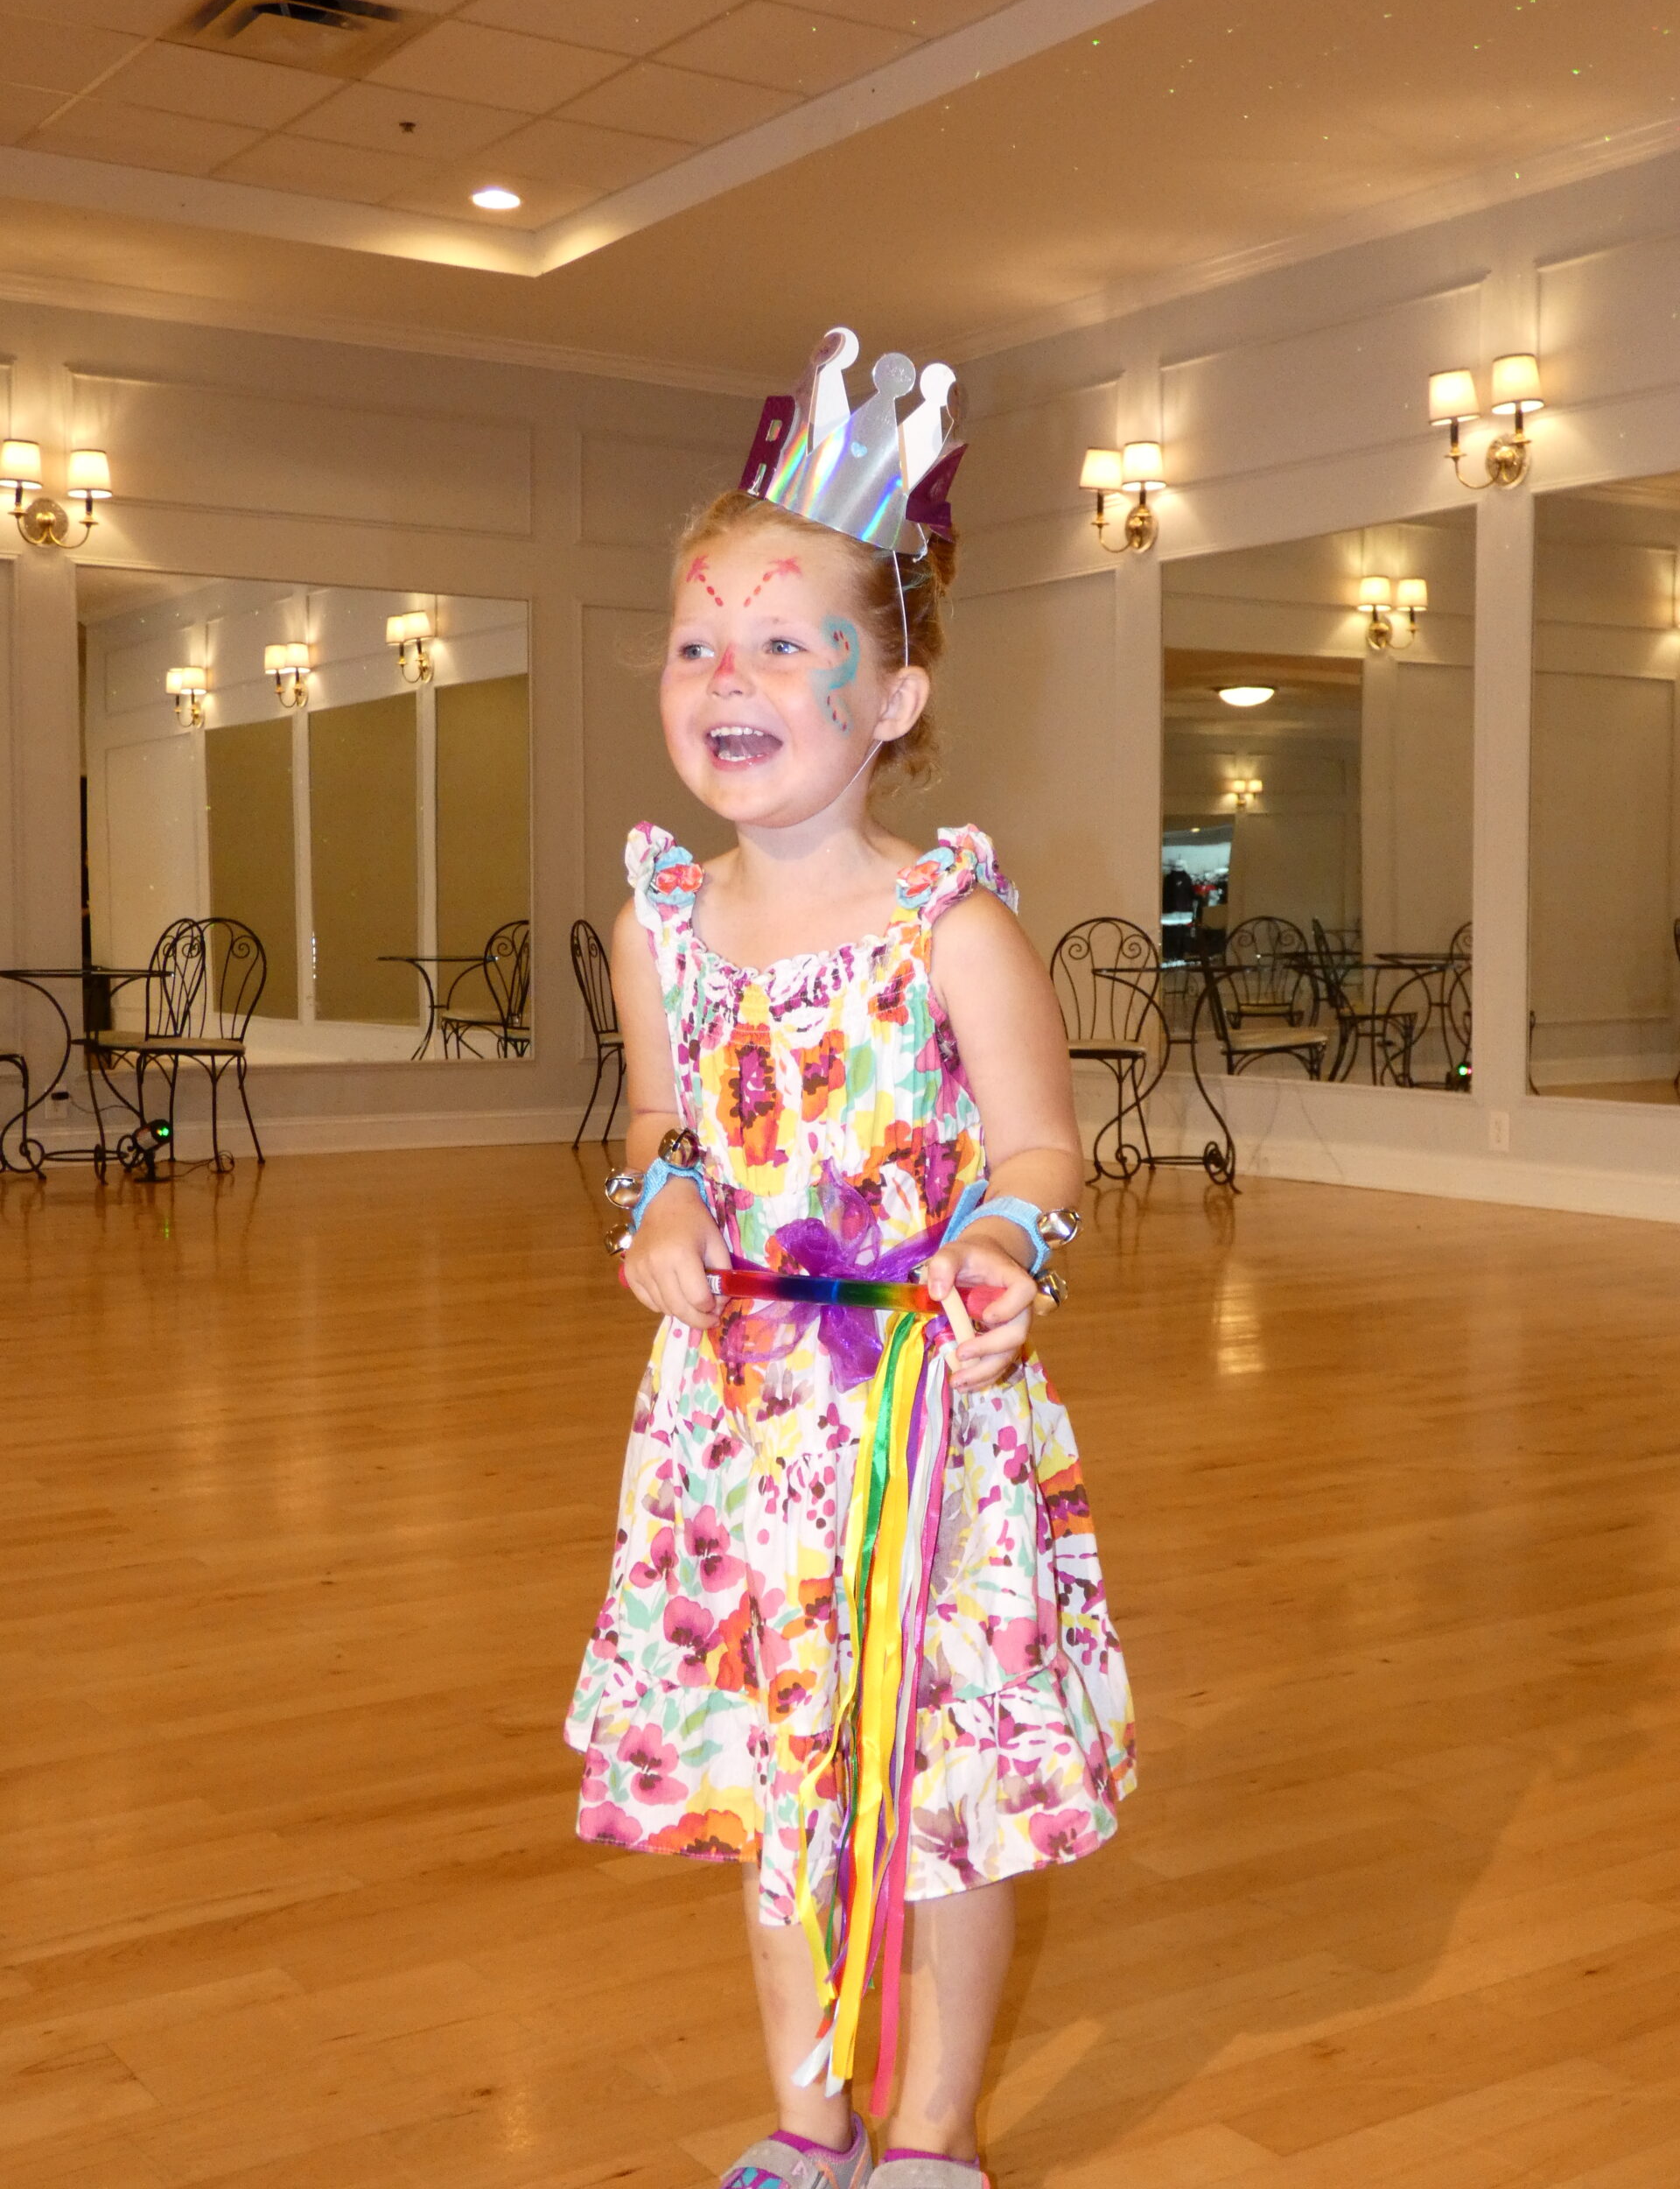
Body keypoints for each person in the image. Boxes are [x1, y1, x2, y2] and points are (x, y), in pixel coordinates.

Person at [565, 333, 1135, 2189]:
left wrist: (1000, 1238)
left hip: (920, 1420)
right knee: (772, 1787)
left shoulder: (948, 923)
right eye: (694, 644)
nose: (726, 676)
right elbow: (656, 1127)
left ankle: (933, 2136)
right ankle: (806, 2124)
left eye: (781, 644)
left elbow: (1049, 1144)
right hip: (735, 1431)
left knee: (941, 1805)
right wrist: (650, 1199)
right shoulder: (661, 927)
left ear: (891, 698)